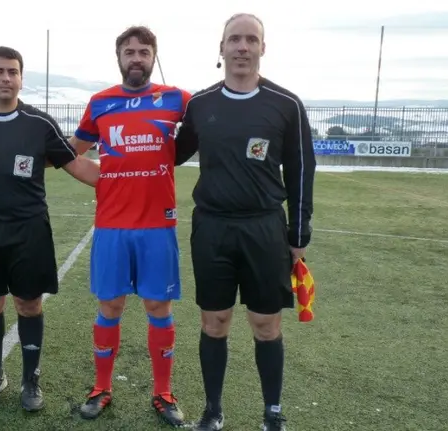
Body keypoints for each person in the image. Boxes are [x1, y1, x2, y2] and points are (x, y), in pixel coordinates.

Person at [174, 13, 316, 431]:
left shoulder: (286, 105)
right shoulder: (200, 105)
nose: (242, 47)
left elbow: (301, 170)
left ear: (262, 48)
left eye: (250, 40)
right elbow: (172, 154)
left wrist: (298, 233)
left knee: (266, 325)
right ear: (221, 48)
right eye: (234, 39)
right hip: (212, 229)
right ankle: (213, 410)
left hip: (265, 230)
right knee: (214, 322)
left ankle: (272, 414)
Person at [0, 46, 100, 412]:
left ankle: (30, 378)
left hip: (29, 232)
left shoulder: (40, 124)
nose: (6, 78)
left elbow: (76, 164)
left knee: (29, 304)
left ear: (21, 79)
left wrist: (127, 181)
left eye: (13, 71)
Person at [66, 25, 193, 427]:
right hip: (112, 225)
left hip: (158, 225)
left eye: (143, 52)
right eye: (129, 52)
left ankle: (163, 393)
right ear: (118, 57)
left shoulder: (178, 99)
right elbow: (70, 153)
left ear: (153, 57)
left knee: (158, 307)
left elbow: (210, 127)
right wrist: (102, 178)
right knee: (110, 306)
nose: (136, 58)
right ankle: (101, 388)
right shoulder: (100, 103)